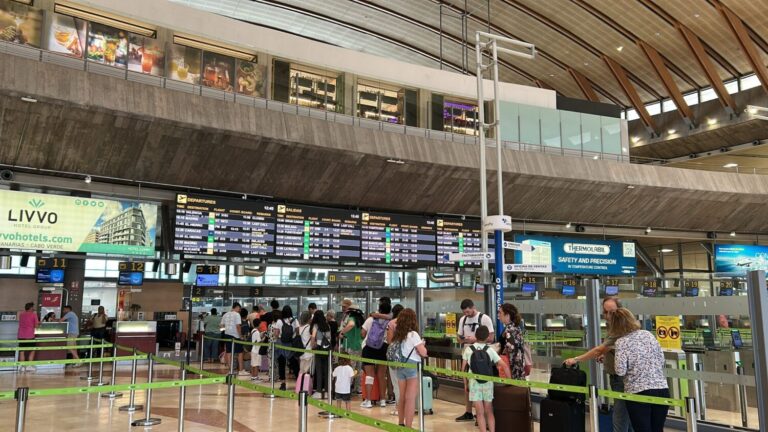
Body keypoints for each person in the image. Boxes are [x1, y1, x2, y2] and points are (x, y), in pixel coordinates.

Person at [565, 297, 633, 432]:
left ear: (620, 311)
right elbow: (611, 348)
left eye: (611, 312)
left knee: (620, 418)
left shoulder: (620, 329)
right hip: (617, 377)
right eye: (606, 312)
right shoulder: (613, 326)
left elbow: (599, 349)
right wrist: (606, 355)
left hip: (622, 379)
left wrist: (576, 359)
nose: (608, 316)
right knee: (627, 417)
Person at [612, 308, 669, 432]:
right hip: (661, 389)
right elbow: (661, 360)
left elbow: (620, 371)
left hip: (638, 393)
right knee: (657, 429)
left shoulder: (621, 342)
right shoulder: (648, 334)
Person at [461, 326, 511, 432]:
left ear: (475, 336)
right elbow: (504, 366)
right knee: (489, 411)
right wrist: (509, 381)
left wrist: (465, 384)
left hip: (474, 383)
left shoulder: (468, 349)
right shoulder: (490, 350)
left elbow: (463, 370)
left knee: (479, 412)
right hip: (488, 383)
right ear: (487, 337)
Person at [456, 299, 495, 422]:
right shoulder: (463, 320)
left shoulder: (484, 318)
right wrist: (463, 339)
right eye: (464, 312)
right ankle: (468, 411)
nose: (467, 314)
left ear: (473, 307)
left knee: (482, 383)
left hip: (483, 357)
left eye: (468, 311)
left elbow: (491, 338)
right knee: (467, 384)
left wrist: (475, 339)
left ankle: (482, 414)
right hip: (468, 355)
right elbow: (459, 337)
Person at [391, 308, 427, 429]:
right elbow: (423, 353)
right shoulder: (413, 334)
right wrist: (422, 345)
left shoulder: (398, 334)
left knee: (402, 396)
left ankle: (401, 422)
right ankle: (409, 426)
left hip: (400, 367)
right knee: (410, 398)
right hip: (411, 366)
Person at [361, 302, 392, 408]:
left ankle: (368, 400)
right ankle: (383, 400)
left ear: (379, 308)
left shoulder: (370, 319)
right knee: (382, 376)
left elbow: (363, 334)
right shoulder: (389, 322)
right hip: (383, 348)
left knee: (369, 375)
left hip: (369, 348)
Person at [339, 299, 364, 393]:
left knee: (350, 367)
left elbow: (351, 325)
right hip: (359, 345)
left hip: (351, 345)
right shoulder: (360, 320)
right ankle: (358, 388)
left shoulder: (352, 319)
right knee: (358, 368)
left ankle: (348, 387)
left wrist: (342, 332)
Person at [498, 303, 526, 379]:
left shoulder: (510, 330)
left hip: (511, 366)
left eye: (500, 313)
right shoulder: (515, 327)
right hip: (518, 364)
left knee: (513, 388)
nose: (499, 315)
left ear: (507, 315)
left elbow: (511, 351)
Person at [275, 305, 299, 390]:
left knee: (281, 364)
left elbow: (277, 334)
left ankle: (283, 384)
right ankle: (299, 381)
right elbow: (297, 332)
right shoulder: (294, 320)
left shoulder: (279, 321)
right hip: (291, 345)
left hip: (281, 344)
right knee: (294, 363)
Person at [221, 303, 248, 376]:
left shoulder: (225, 314)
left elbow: (221, 326)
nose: (239, 310)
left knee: (229, 353)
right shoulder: (237, 314)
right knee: (240, 352)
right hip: (236, 336)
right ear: (236, 307)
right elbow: (238, 326)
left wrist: (225, 331)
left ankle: (231, 370)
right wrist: (240, 336)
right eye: (239, 308)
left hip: (227, 335)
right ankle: (241, 370)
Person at [386, 304, 405, 412]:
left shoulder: (392, 323)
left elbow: (389, 341)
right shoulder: (408, 323)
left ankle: (399, 407)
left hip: (395, 356)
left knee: (396, 382)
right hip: (407, 357)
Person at [310, 310, 332, 399]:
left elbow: (313, 336)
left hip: (319, 348)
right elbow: (329, 337)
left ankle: (319, 391)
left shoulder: (316, 325)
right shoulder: (327, 325)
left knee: (319, 370)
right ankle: (327, 391)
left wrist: (312, 345)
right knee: (326, 370)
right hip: (327, 349)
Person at [17, 302, 39, 372]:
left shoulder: (21, 314)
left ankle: (22, 367)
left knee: (22, 351)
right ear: (31, 308)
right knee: (32, 349)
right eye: (33, 307)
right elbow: (36, 326)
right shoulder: (34, 314)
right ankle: (29, 366)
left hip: (21, 335)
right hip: (30, 335)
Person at [297, 311, 313, 375]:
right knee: (306, 371)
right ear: (309, 319)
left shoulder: (299, 328)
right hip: (308, 351)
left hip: (301, 352)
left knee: (301, 370)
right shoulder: (309, 328)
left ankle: (300, 383)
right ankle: (304, 384)